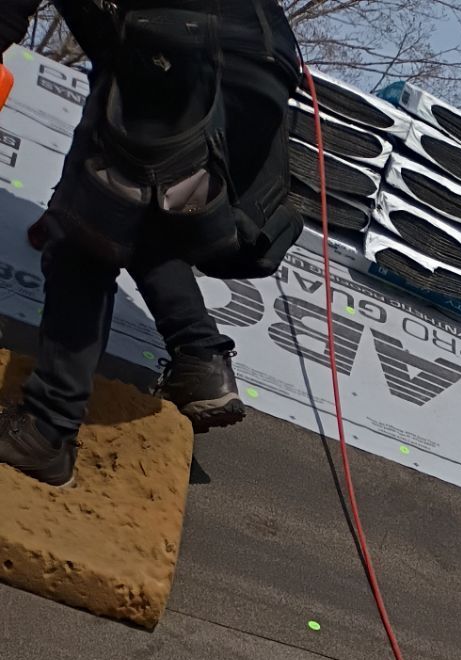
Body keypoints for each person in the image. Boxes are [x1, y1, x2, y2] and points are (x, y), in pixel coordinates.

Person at [0, 0, 300, 486]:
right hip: (264, 66)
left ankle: (45, 432)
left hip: (177, 44)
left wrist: (72, 218)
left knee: (88, 236)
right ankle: (200, 358)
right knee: (145, 214)